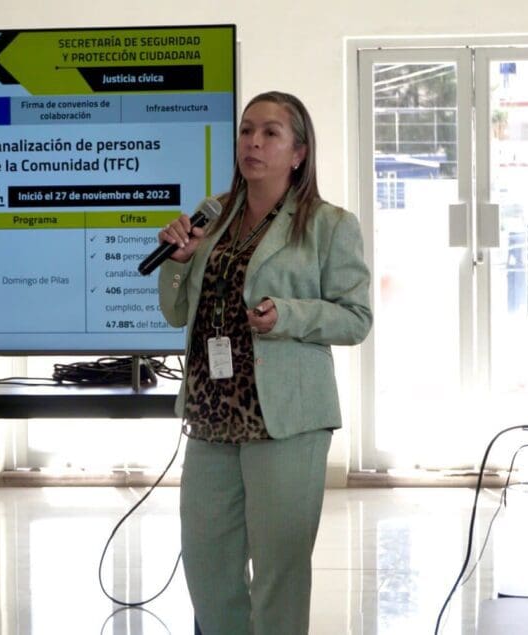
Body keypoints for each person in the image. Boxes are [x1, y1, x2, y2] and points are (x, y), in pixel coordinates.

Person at [157, 91, 372, 635]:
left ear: (298, 152)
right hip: (211, 416)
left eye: (270, 133)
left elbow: (355, 318)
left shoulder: (328, 224)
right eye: (247, 130)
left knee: (279, 571)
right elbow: (176, 311)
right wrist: (177, 262)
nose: (253, 142)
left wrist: (289, 315)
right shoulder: (213, 215)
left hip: (286, 419)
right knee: (207, 569)